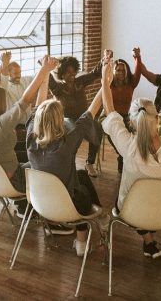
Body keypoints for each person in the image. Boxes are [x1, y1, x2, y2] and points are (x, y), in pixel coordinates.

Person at [101, 53, 161, 259]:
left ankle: (148, 241)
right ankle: (152, 243)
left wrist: (105, 80)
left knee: (132, 194)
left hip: (133, 213)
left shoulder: (127, 146)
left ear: (131, 122)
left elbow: (110, 111)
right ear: (158, 118)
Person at [26, 73, 104, 255]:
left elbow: (37, 107)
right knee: (82, 196)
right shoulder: (67, 143)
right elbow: (90, 113)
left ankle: (102, 219)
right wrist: (105, 84)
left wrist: (45, 73)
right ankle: (81, 242)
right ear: (59, 120)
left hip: (41, 203)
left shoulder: (30, 140)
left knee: (82, 175)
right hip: (67, 205)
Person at [0, 56, 58, 217]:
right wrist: (44, 69)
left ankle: (26, 206)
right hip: (14, 180)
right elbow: (25, 99)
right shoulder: (0, 125)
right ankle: (53, 215)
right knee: (52, 167)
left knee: (31, 157)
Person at [48, 51, 111, 178]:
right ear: (62, 74)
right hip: (67, 121)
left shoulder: (80, 81)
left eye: (73, 72)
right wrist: (46, 65)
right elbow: (47, 78)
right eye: (68, 72)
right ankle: (70, 164)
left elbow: (95, 73)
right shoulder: (58, 88)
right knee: (74, 133)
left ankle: (90, 163)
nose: (71, 75)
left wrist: (105, 59)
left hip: (84, 119)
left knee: (97, 128)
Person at [103, 48, 142, 172]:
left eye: (123, 70)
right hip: (109, 116)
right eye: (118, 70)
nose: (120, 72)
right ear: (113, 71)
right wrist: (107, 59)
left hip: (125, 117)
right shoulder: (109, 84)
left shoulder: (131, 83)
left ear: (126, 71)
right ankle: (121, 155)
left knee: (132, 135)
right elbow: (103, 75)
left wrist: (137, 57)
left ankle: (124, 156)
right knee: (115, 134)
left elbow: (138, 71)